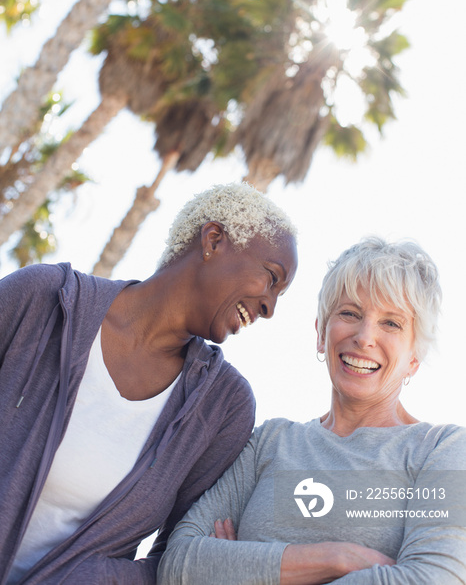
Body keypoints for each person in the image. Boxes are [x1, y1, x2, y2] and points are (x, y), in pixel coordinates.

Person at [0, 181, 298, 585]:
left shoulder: (223, 407)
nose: (269, 307)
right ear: (213, 241)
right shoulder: (43, 301)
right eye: (271, 277)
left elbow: (174, 558)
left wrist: (94, 578)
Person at [157, 236, 466, 585]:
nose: (364, 337)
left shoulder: (443, 450)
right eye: (349, 313)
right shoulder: (271, 442)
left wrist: (241, 569)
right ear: (321, 333)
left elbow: (434, 578)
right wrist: (336, 558)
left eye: (391, 323)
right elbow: (179, 563)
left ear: (414, 357)